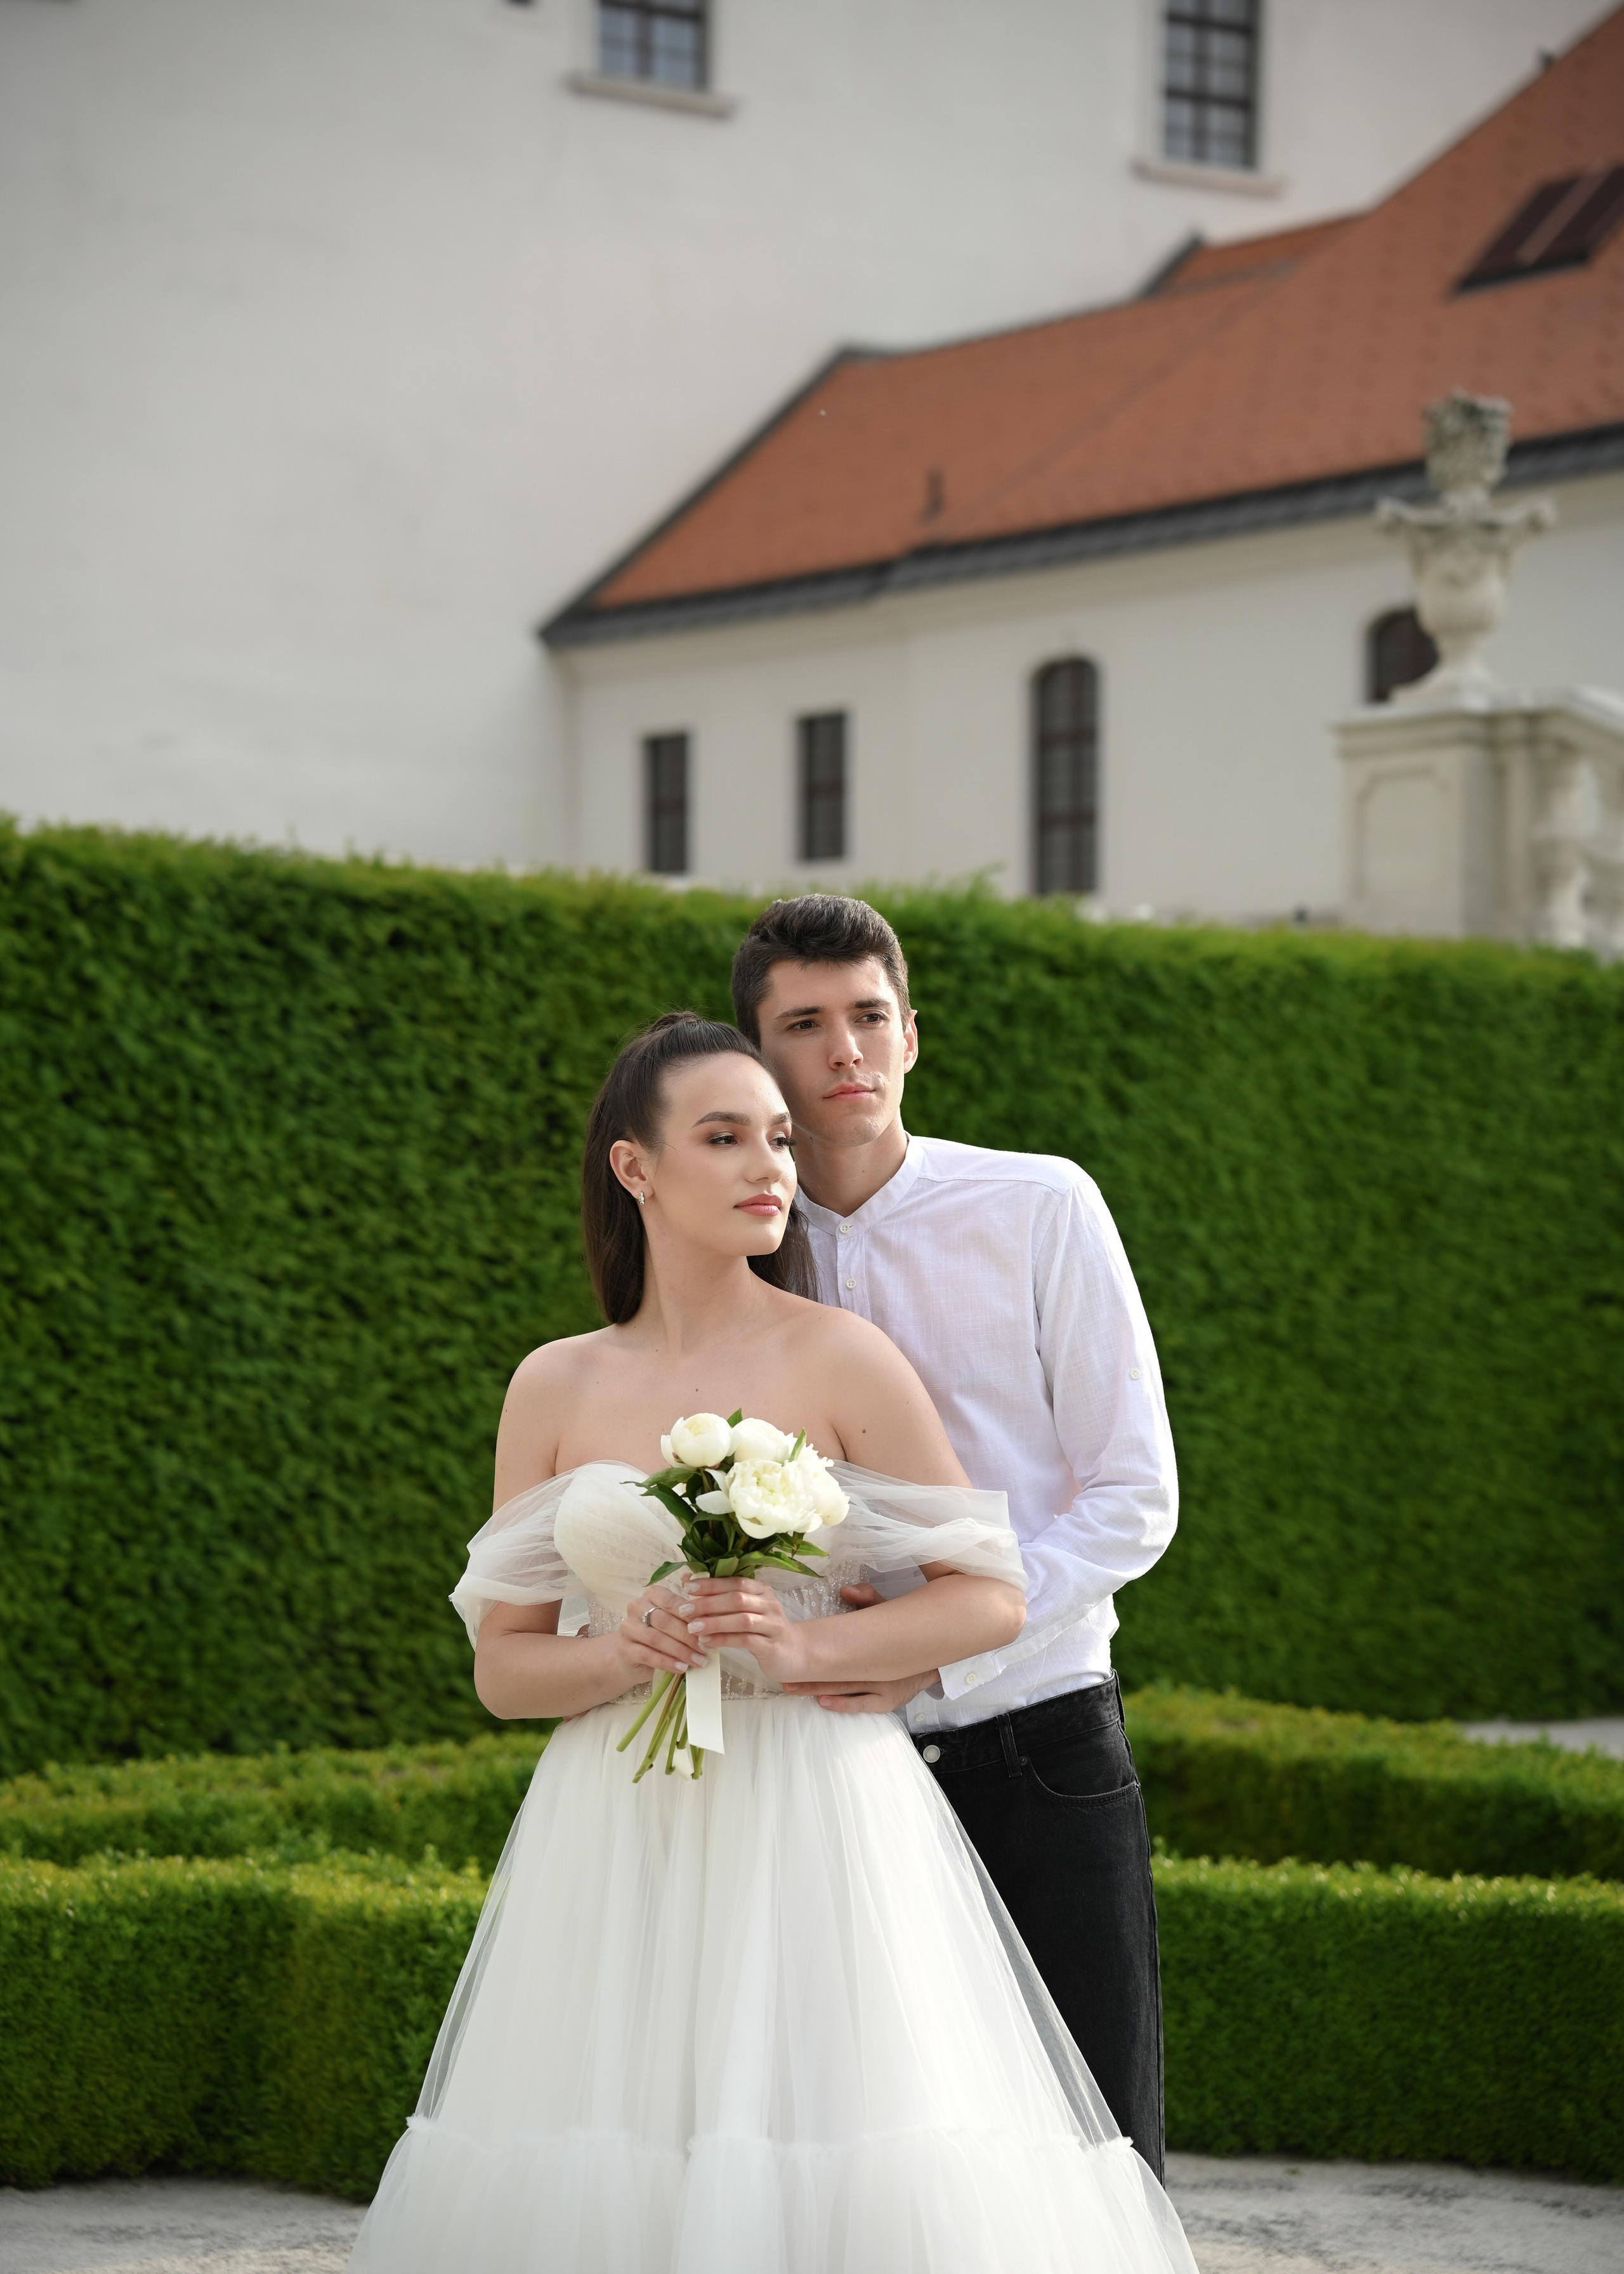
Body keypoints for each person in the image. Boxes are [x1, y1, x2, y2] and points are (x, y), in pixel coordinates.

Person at [349, 1011, 1196, 2274]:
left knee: (849, 2150)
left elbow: (988, 1595)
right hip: (614, 1826)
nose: (770, 1167)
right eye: (725, 1138)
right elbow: (503, 1669)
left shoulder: (843, 1355)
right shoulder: (553, 1384)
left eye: (781, 1139)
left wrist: (797, 1655)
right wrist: (625, 1652)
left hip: (824, 1812)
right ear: (635, 1167)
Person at [735, 895, 1175, 2181]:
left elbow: (1131, 1494)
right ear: (756, 1054)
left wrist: (941, 1642)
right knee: (875, 2168)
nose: (844, 1050)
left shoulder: (1040, 1205)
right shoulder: (730, 1253)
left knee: (1096, 2153)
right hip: (825, 1764)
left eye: (868, 1016)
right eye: (802, 1024)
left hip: (1038, 1735)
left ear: (912, 1035)